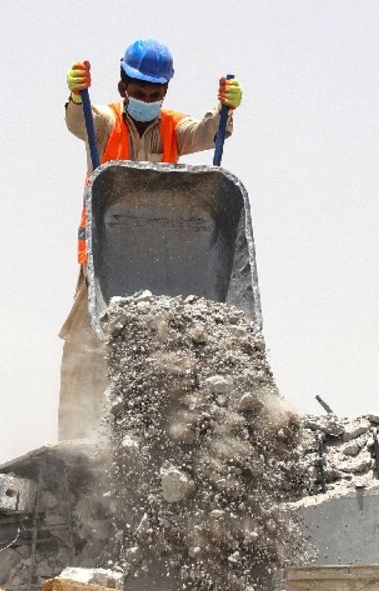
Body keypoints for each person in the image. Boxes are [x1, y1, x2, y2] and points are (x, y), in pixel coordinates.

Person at [57, 38, 243, 441]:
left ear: (165, 92)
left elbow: (208, 134)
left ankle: (163, 434)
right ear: (124, 86)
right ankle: (76, 438)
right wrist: (75, 97)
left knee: (160, 350)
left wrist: (224, 110)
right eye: (139, 92)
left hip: (160, 263)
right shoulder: (105, 121)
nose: (146, 98)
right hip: (104, 259)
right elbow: (79, 122)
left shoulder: (175, 127)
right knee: (84, 346)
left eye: (154, 93)